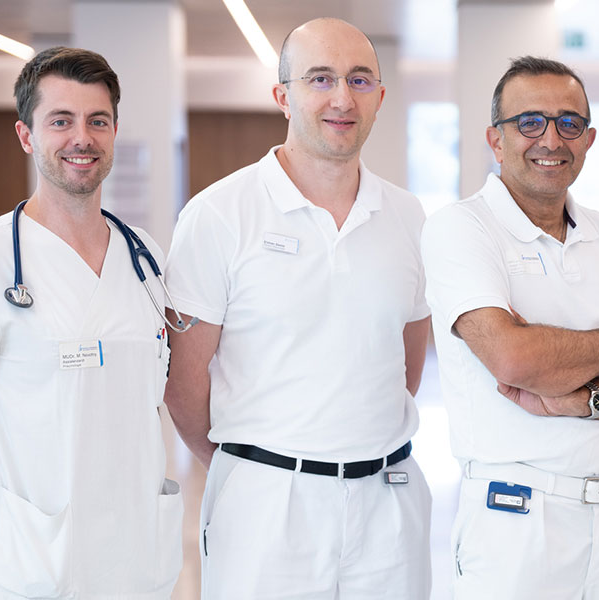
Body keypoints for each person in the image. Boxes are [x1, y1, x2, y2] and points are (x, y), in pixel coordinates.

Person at [161, 18, 432, 599]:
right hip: (267, 503)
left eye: (359, 80)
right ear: (283, 96)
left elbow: (405, 365)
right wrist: (250, 466)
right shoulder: (220, 214)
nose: (342, 98)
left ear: (380, 97)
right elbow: (182, 382)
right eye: (320, 78)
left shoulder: (408, 217)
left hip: (389, 499)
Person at [0, 47, 185, 599]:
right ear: (26, 135)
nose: (82, 138)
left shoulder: (146, 258)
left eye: (97, 121)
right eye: (61, 121)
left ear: (113, 132)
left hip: (138, 566)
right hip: (29, 569)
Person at [423, 55, 599, 598]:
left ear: (589, 140)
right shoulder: (460, 228)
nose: (551, 139)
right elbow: (514, 359)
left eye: (569, 123)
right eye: (529, 122)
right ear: (496, 139)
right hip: (517, 518)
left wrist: (582, 397)